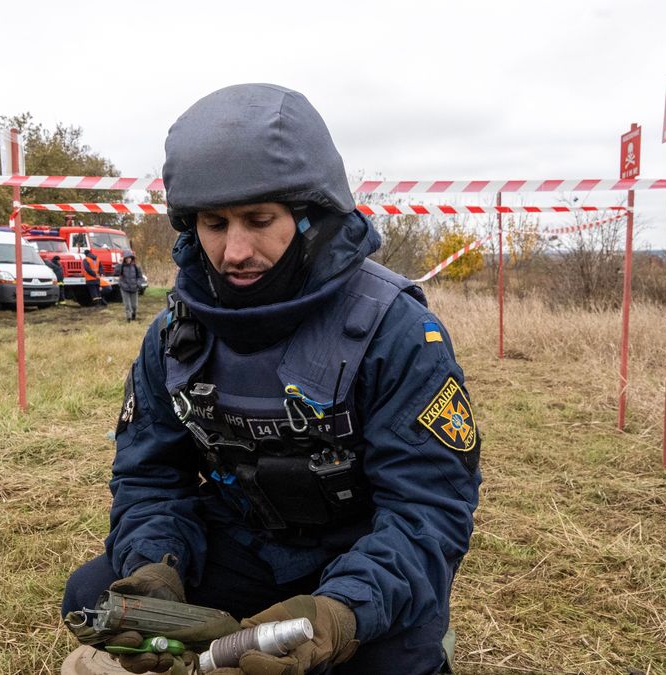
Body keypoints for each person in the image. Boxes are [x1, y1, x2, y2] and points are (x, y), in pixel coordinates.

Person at [62, 84, 481, 675]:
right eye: (213, 224)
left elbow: (427, 512)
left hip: (360, 553)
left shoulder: (398, 333)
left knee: (393, 663)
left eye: (260, 220)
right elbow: (150, 476)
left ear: (313, 219)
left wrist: (339, 615)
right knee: (95, 596)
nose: (235, 251)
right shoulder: (173, 335)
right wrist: (159, 564)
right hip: (242, 540)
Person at [116, 252, 144, 322]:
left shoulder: (136, 267)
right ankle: (128, 318)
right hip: (124, 288)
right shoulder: (121, 266)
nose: (128, 260)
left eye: (129, 258)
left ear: (132, 258)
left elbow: (140, 277)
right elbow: (116, 272)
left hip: (134, 288)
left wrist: (138, 284)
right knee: (127, 305)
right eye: (126, 258)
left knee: (134, 306)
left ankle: (133, 315)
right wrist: (119, 264)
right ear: (124, 259)